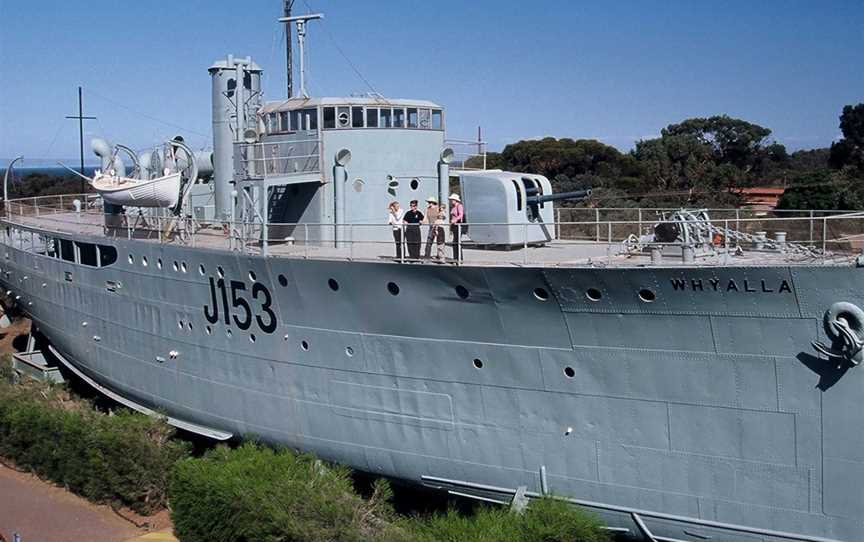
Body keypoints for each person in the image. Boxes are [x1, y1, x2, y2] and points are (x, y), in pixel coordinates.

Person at [448, 193, 464, 261]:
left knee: (457, 242)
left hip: (458, 225)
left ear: (455, 200)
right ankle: (456, 257)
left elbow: (461, 215)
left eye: (452, 200)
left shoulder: (459, 206)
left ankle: (459, 258)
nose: (451, 201)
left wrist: (455, 220)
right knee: (455, 242)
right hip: (454, 226)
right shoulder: (453, 207)